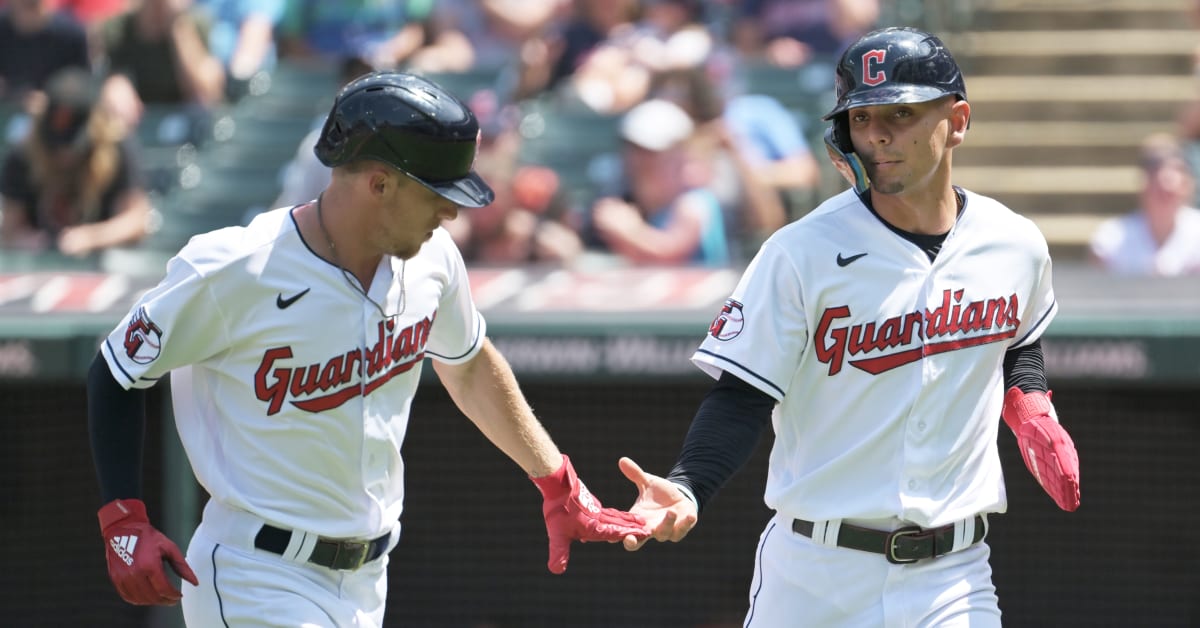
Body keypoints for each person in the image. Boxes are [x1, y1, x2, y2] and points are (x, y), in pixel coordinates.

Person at [86, 71, 647, 623]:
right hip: (255, 574)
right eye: (436, 193)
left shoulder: (433, 260)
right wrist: (122, 518)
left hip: (367, 581)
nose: (450, 212)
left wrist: (556, 480)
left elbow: (470, 366)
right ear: (379, 184)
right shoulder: (236, 267)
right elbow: (115, 371)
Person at [618, 27, 1081, 626]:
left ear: (958, 120)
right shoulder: (800, 252)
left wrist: (1033, 407)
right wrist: (686, 485)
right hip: (816, 576)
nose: (879, 133)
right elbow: (742, 396)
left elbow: (1019, 344)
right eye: (862, 118)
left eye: (903, 112)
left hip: (954, 575)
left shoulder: (1014, 243)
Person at [0, 66, 151, 256]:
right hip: (41, 268)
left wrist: (90, 238)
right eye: (56, 144)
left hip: (104, 265)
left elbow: (137, 221)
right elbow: (9, 229)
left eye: (70, 146)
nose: (63, 154)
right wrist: (27, 241)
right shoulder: (24, 152)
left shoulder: (116, 146)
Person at [589, 97, 730, 266]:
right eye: (634, 149)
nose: (640, 161)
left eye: (651, 152)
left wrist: (629, 231)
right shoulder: (626, 196)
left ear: (681, 154)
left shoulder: (694, 201)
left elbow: (672, 255)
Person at [1088, 132, 1200, 276]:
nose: (1164, 189)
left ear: (1187, 186)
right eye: (1158, 190)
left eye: (1169, 193)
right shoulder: (1109, 239)